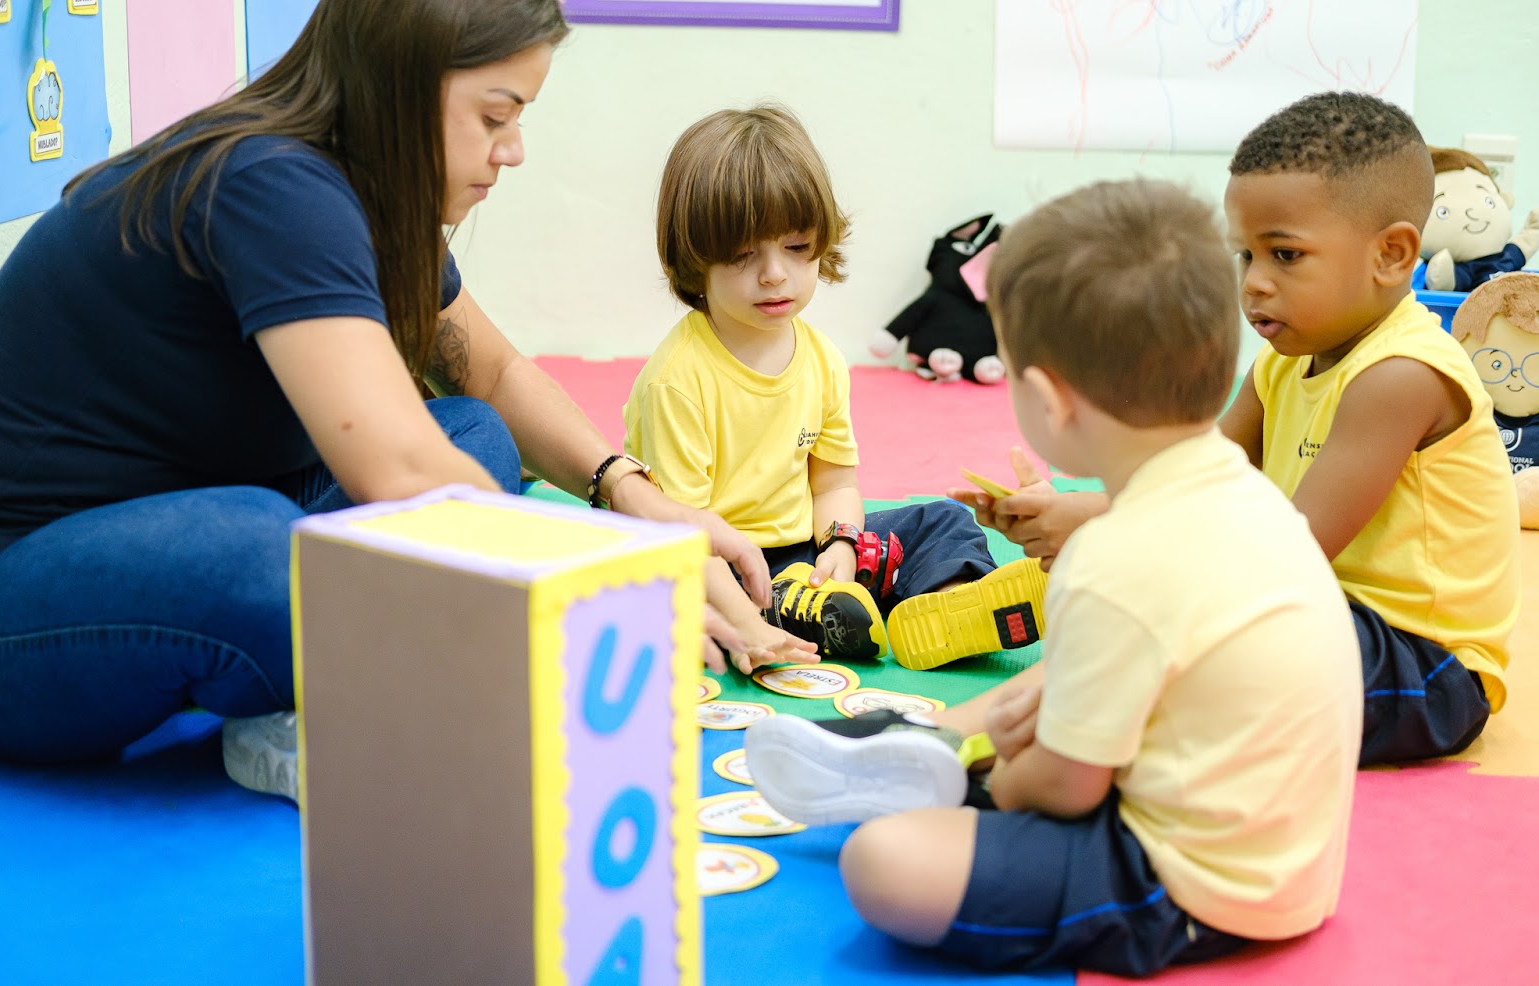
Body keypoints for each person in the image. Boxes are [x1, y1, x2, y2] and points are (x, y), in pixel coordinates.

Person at [0, 0, 777, 802]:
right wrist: (614, 601)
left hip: (173, 519)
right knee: (261, 556)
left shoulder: (370, 196)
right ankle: (336, 664)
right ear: (403, 90)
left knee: (475, 434)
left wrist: (637, 499)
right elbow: (398, 465)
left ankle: (336, 662)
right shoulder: (272, 182)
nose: (514, 149)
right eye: (495, 116)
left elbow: (488, 375)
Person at [744, 178, 1362, 975]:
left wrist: (999, 771)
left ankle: (935, 765)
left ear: (1044, 399)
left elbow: (1065, 790)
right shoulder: (1240, 492)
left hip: (1188, 885)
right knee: (1043, 699)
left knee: (883, 863)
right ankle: (925, 739)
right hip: (1290, 854)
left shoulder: (1110, 559)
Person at [994, 92, 1520, 765]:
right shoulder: (1281, 364)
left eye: (1286, 256)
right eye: (1244, 256)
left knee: (1180, 625)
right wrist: (1091, 514)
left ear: (1391, 255)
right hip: (1319, 612)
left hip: (1423, 669)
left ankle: (1047, 727)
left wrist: (1111, 532)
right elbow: (1192, 478)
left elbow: (1284, 551)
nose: (1255, 285)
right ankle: (1046, 700)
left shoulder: (1401, 376)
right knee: (1145, 599)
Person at [624, 104, 1047, 673]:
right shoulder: (678, 380)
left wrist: (842, 544)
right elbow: (683, 536)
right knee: (738, 592)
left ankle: (947, 605)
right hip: (727, 566)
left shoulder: (821, 358)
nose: (775, 274)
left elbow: (835, 481)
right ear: (695, 259)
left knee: (942, 521)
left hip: (811, 546)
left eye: (796, 248)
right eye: (744, 255)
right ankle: (804, 613)